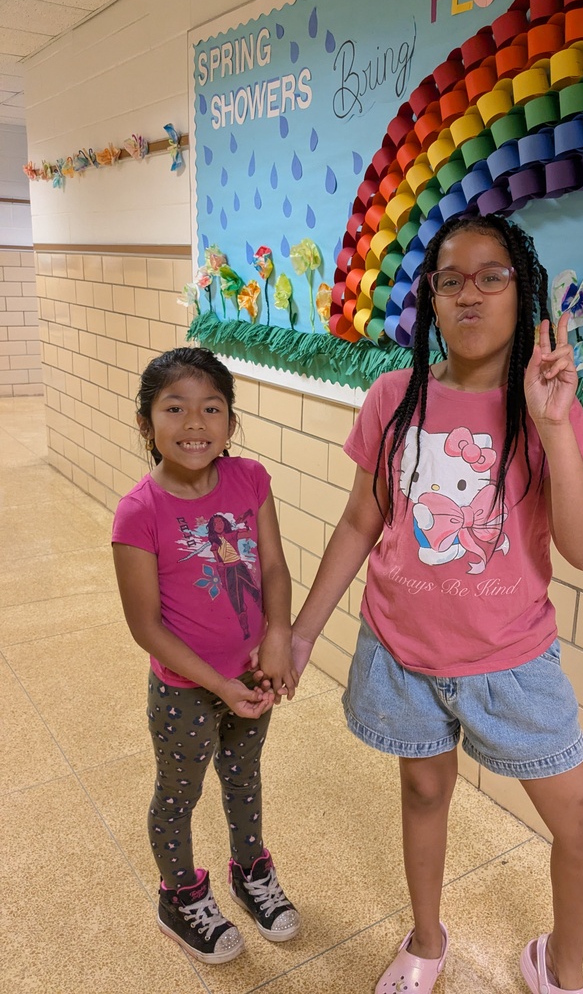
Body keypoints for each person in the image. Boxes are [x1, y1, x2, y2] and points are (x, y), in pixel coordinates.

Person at [291, 214, 583, 994]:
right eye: (450, 279)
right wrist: (302, 634)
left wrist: (553, 427)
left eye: (491, 276)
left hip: (513, 659)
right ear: (430, 298)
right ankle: (427, 939)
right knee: (425, 788)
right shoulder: (395, 397)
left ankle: (559, 967)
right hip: (402, 651)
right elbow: (362, 521)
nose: (469, 294)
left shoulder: (549, 409)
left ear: (523, 292)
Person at [112, 347, 301, 965]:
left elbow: (272, 566)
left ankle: (250, 872)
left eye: (210, 409)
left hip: (253, 676)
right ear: (147, 424)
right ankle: (180, 895)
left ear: (230, 423)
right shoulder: (139, 512)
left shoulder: (250, 480)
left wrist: (277, 638)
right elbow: (147, 628)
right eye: (175, 408)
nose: (194, 424)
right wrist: (218, 685)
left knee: (245, 778)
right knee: (179, 791)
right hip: (185, 689)